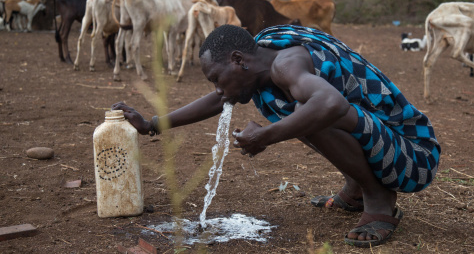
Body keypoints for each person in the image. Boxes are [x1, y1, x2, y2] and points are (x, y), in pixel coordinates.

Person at [112, 24, 440, 247]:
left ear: (238, 60)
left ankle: (379, 200)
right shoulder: (261, 57)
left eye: (217, 77)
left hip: (413, 158)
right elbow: (219, 99)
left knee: (310, 111)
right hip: (384, 143)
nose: (217, 88)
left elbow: (330, 102)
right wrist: (152, 124)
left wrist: (267, 135)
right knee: (299, 114)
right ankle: (355, 189)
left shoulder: (286, 64)